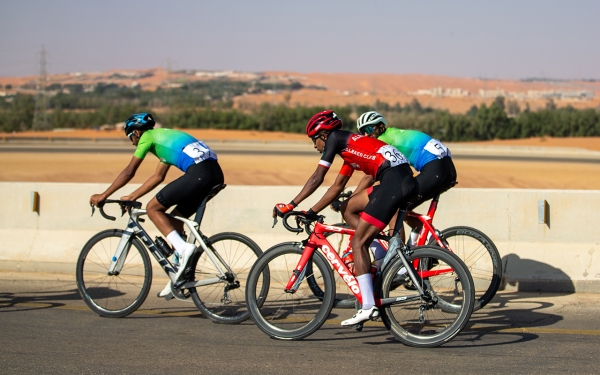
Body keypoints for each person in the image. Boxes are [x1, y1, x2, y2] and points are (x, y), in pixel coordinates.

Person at [272, 110, 418, 326]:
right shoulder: (351, 147)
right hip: (402, 179)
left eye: (314, 140)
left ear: (323, 135)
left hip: (394, 182)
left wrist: (291, 205)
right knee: (348, 208)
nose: (315, 146)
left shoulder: (335, 139)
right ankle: (381, 254)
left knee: (358, 242)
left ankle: (368, 306)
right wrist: (311, 211)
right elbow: (336, 187)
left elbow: (317, 177)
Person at [89, 112, 224, 296]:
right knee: (175, 220)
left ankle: (184, 249)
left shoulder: (147, 137)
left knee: (153, 209)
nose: (131, 142)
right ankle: (179, 276)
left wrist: (104, 195)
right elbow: (158, 177)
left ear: (136, 132)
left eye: (130, 137)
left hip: (199, 174)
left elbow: (129, 171)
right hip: (214, 173)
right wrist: (132, 195)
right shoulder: (163, 138)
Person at [339, 111, 457, 260]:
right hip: (445, 168)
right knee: (405, 208)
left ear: (381, 126)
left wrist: (352, 199)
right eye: (362, 132)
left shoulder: (384, 139)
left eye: (369, 129)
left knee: (395, 206)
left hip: (436, 168)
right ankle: (427, 242)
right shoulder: (394, 133)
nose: (367, 135)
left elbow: (369, 177)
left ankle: (397, 261)